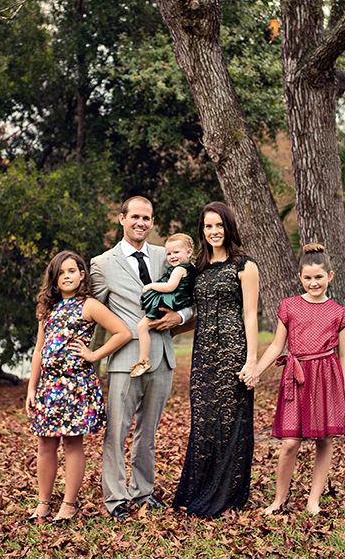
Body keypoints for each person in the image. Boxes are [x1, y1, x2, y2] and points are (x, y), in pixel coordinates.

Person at [90, 197, 191, 521]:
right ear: (122, 219)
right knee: (116, 432)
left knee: (148, 433)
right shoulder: (102, 263)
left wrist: (180, 316)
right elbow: (92, 313)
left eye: (146, 218)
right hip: (124, 359)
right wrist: (86, 359)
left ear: (152, 222)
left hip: (162, 356)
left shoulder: (168, 255)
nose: (140, 223)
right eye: (135, 216)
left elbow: (191, 297)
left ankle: (143, 492)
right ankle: (116, 498)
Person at [25, 251, 132, 522]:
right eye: (61, 273)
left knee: (72, 444)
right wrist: (31, 388)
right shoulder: (47, 308)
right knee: (45, 444)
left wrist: (94, 355)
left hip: (75, 386)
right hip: (49, 387)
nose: (66, 277)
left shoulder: (89, 305)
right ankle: (43, 503)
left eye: (72, 271)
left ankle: (68, 504)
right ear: (54, 279)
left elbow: (123, 332)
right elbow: (38, 350)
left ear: (82, 274)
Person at [172, 201, 259, 519]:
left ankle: (227, 495)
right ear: (202, 230)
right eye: (208, 226)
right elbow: (195, 312)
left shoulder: (245, 265)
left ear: (228, 227)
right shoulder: (198, 268)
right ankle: (199, 490)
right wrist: (169, 327)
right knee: (204, 422)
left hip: (233, 352)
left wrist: (251, 362)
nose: (214, 231)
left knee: (230, 423)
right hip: (203, 354)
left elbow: (250, 315)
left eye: (219, 225)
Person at [253, 243, 345, 516]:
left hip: (327, 378)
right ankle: (278, 500)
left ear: (330, 276)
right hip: (297, 379)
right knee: (290, 443)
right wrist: (257, 370)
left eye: (319, 277)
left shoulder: (338, 312)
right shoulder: (290, 306)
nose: (313, 283)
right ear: (300, 277)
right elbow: (276, 345)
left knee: (325, 440)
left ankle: (313, 501)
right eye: (307, 277)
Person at [131, 233, 196, 378]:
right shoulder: (190, 268)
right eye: (169, 253)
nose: (172, 256)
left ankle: (143, 360)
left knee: (142, 327)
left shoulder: (179, 269)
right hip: (179, 301)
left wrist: (150, 286)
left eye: (176, 252)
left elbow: (170, 286)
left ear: (189, 252)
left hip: (169, 301)